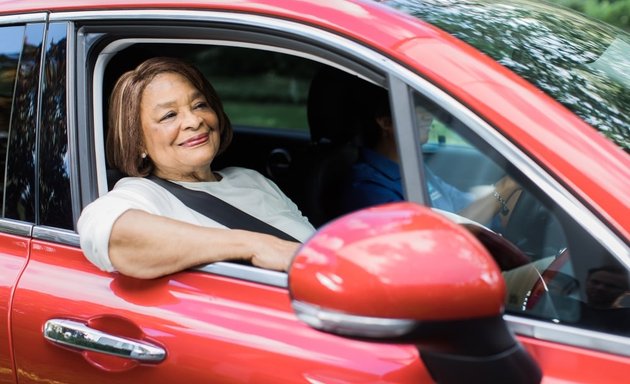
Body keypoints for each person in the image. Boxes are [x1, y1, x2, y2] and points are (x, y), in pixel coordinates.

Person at [78, 57, 315, 279]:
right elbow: (112, 235)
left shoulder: (251, 178)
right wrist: (253, 245)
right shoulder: (142, 194)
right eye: (169, 115)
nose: (194, 121)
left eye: (199, 104)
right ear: (138, 141)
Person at [340, 83, 520, 226]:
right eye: (417, 107)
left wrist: (506, 191)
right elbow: (440, 240)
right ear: (385, 122)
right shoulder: (369, 188)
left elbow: (463, 204)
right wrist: (508, 186)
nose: (429, 116)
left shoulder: (413, 169)